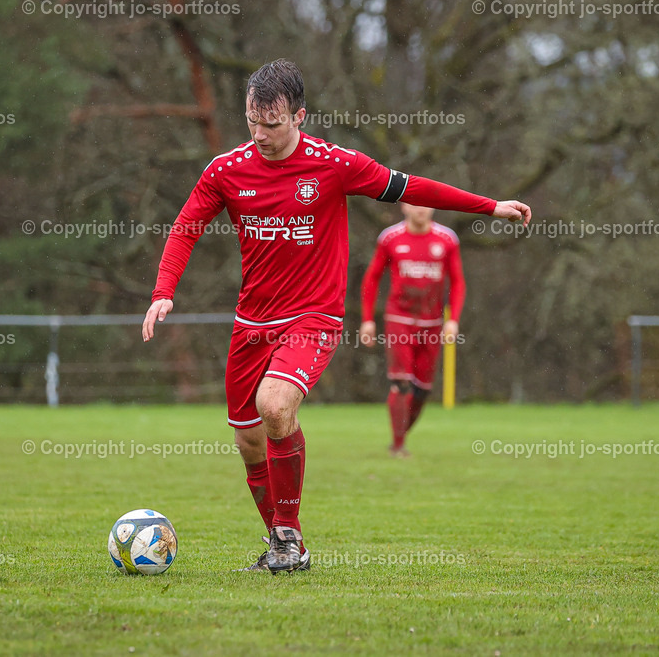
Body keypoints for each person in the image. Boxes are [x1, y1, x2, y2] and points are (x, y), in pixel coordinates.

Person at [142, 59, 531, 573]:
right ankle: (289, 545)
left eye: (273, 123)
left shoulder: (334, 164)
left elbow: (409, 186)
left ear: (300, 116)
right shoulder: (226, 170)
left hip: (313, 318)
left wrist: (489, 206)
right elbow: (186, 226)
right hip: (251, 326)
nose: (260, 134)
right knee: (249, 440)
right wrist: (163, 290)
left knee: (276, 405)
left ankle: (286, 540)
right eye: (252, 122)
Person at [360, 203, 464, 456]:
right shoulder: (390, 238)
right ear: (404, 207)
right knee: (401, 382)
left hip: (432, 322)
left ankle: (400, 434)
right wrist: (367, 319)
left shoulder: (447, 239)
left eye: (426, 204)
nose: (421, 209)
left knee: (422, 389)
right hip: (399, 319)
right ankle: (398, 446)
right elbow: (372, 277)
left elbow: (458, 280)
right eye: (415, 204)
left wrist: (453, 319)